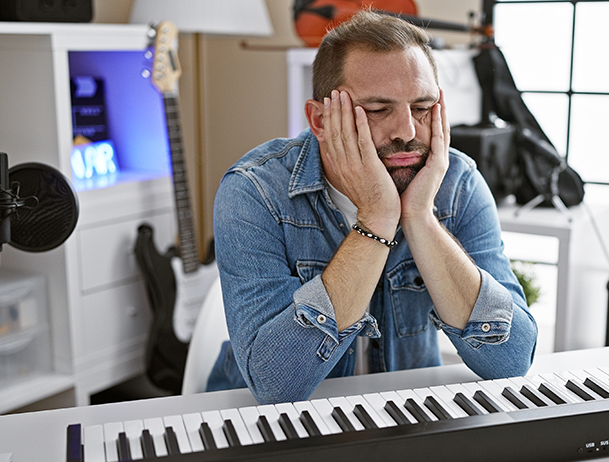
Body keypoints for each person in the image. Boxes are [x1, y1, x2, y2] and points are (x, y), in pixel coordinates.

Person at [207, 9, 537, 403]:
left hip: (400, 417)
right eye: (378, 110)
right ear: (319, 119)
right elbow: (277, 385)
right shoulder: (254, 192)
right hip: (258, 422)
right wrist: (377, 219)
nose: (407, 131)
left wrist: (420, 218)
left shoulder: (457, 183)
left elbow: (512, 359)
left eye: (422, 107)